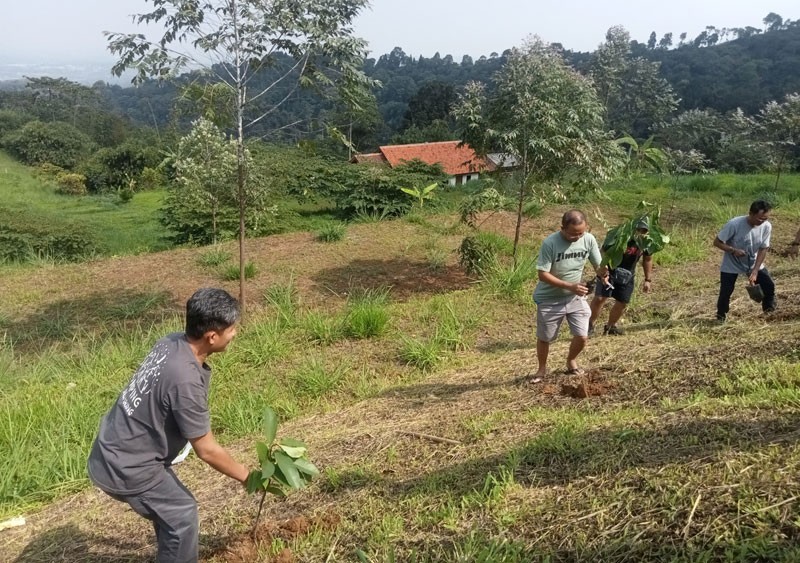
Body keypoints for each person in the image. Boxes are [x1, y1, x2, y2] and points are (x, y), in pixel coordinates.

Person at [88, 288, 250, 563]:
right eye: (232, 329)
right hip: (127, 467)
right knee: (181, 515)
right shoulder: (185, 380)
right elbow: (207, 450)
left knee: (171, 514)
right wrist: (247, 477)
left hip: (111, 448)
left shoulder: (171, 342)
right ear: (212, 336)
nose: (235, 334)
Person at [531, 209, 607, 379]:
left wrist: (604, 274)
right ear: (562, 228)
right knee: (545, 337)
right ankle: (542, 369)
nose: (577, 237)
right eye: (573, 234)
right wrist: (570, 286)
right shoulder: (550, 243)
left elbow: (598, 266)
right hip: (549, 298)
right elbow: (542, 274)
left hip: (575, 297)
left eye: (581, 232)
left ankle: (571, 361)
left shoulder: (588, 239)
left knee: (582, 335)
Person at [589, 219, 654, 335]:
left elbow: (647, 259)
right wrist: (603, 269)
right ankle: (589, 326)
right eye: (638, 230)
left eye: (644, 231)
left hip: (627, 275)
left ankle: (610, 327)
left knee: (622, 301)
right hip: (609, 271)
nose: (641, 233)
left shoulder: (646, 242)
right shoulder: (619, 236)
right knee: (600, 298)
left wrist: (647, 279)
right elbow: (603, 251)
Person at [713, 200, 775, 321]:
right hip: (731, 264)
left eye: (765, 218)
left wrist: (755, 270)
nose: (762, 221)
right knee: (726, 291)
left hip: (753, 262)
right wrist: (733, 250)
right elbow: (717, 242)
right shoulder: (734, 224)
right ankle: (721, 317)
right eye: (759, 218)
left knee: (769, 286)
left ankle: (770, 313)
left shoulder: (766, 226)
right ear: (750, 213)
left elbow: (763, 248)